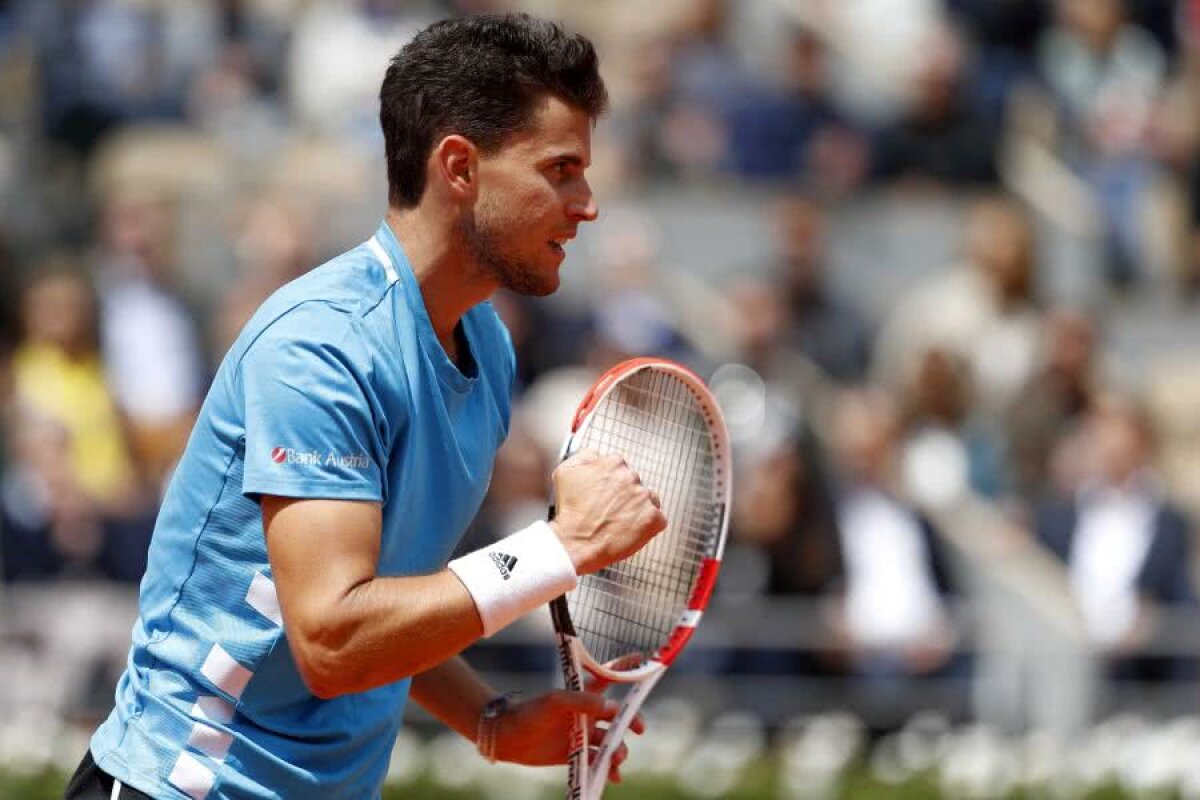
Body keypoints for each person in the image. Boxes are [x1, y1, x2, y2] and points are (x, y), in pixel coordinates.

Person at [66, 13, 667, 800]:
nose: (586, 204)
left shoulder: (487, 348)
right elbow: (333, 636)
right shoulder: (319, 350)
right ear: (459, 167)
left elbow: (393, 598)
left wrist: (488, 717)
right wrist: (560, 549)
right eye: (559, 169)